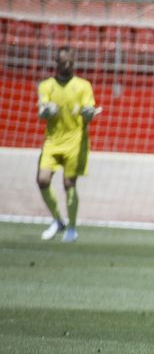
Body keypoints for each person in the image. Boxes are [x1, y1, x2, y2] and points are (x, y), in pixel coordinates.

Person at [37, 47, 101, 242]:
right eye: (64, 62)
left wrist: (88, 114)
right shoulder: (46, 86)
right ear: (56, 63)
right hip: (53, 141)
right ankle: (58, 220)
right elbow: (42, 112)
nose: (67, 66)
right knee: (42, 180)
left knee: (68, 184)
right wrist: (46, 111)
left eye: (70, 63)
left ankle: (72, 228)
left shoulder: (83, 86)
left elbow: (87, 112)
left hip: (75, 140)